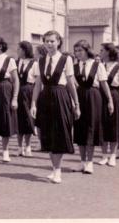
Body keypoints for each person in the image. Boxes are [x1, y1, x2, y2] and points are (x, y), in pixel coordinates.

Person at [30, 30, 81, 184]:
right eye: (47, 41)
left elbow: (71, 84)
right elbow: (38, 83)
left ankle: (57, 170)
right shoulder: (40, 61)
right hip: (45, 99)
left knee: (59, 133)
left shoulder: (66, 60)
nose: (49, 44)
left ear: (58, 42)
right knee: (47, 134)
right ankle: (54, 169)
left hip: (61, 97)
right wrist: (33, 103)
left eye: (52, 41)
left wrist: (76, 104)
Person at [73, 40, 113, 174]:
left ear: (87, 50)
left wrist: (110, 100)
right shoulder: (74, 65)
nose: (78, 53)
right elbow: (73, 85)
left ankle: (89, 162)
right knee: (80, 128)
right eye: (76, 51)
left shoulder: (97, 65)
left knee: (91, 128)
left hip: (94, 96)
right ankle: (82, 161)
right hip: (80, 96)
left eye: (80, 50)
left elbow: (104, 84)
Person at [97, 43, 119, 167]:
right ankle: (104, 155)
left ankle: (113, 155)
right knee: (102, 126)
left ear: (109, 52)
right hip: (101, 95)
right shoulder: (99, 66)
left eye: (102, 50)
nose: (100, 52)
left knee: (114, 125)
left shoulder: (118, 67)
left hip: (115, 95)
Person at [16, 41, 38, 157]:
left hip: (29, 91)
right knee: (19, 119)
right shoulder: (16, 62)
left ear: (25, 50)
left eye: (19, 49)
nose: (17, 51)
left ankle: (28, 146)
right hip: (18, 91)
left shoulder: (34, 63)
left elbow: (37, 81)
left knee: (28, 119)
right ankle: (19, 147)